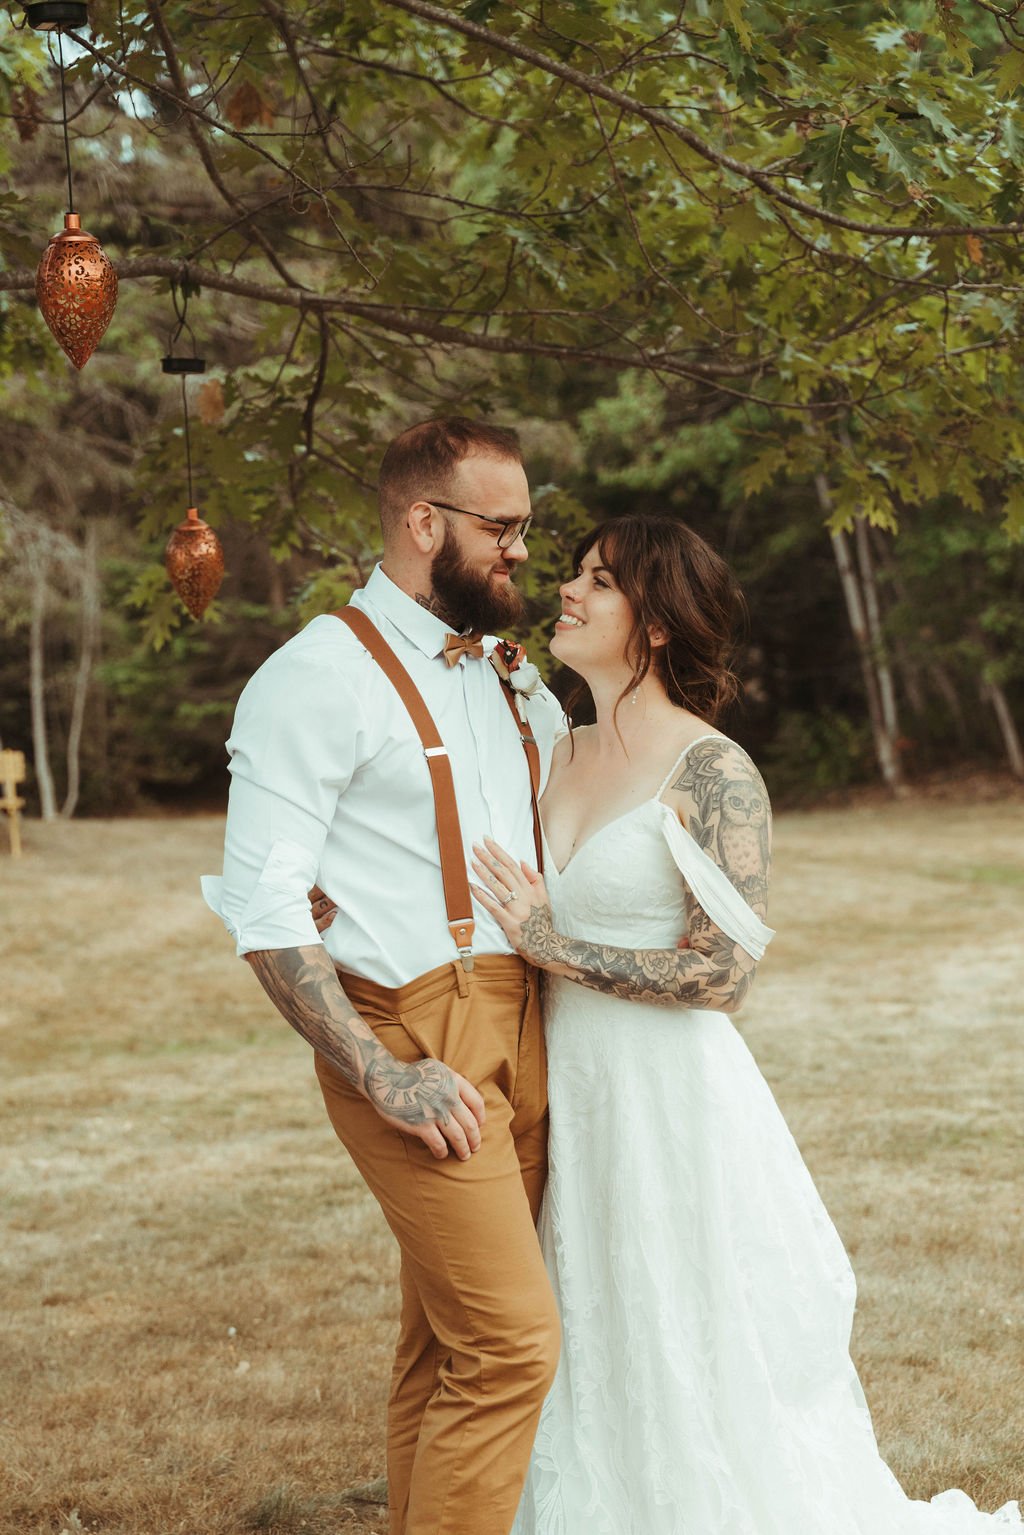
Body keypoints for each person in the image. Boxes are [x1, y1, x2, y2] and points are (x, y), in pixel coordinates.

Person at [468, 514, 1022, 1535]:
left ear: (659, 622)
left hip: (672, 1092)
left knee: (683, 1314)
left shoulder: (713, 773)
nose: (568, 591)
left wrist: (560, 948)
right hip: (568, 1085)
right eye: (574, 573)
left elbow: (722, 974)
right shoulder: (553, 748)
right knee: (590, 1315)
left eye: (599, 581)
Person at [201, 417, 568, 1535]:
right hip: (411, 1031)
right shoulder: (314, 675)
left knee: (448, 1338)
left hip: (531, 1017)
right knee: (511, 1342)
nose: (518, 550)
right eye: (500, 527)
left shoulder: (508, 667)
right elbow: (266, 902)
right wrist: (377, 1072)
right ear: (424, 522)